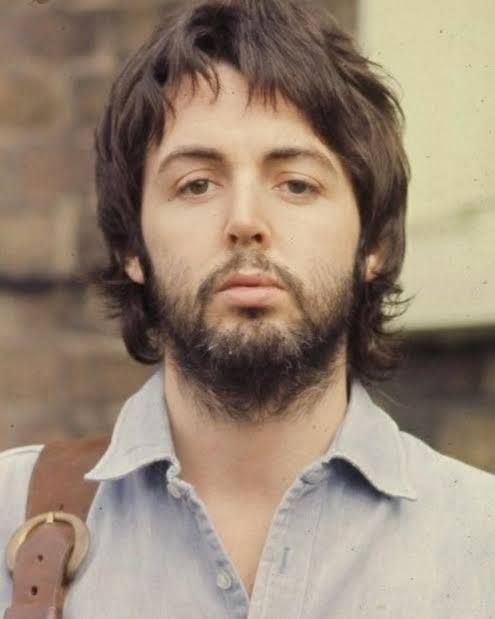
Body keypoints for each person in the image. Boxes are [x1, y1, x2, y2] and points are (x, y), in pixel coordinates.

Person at [1, 0, 494, 617]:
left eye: (297, 184)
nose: (245, 221)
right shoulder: (9, 516)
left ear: (372, 243)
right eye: (197, 184)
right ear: (132, 247)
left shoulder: (481, 542)